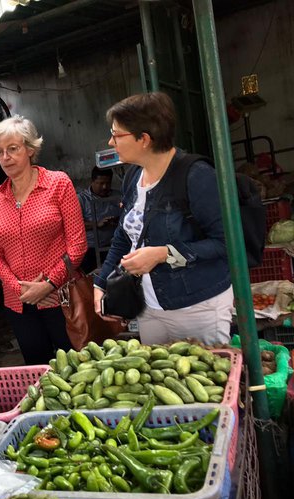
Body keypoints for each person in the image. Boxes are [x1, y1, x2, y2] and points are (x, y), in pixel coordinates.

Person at [93, 92, 232, 345]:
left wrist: (163, 254)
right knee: (157, 379)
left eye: (116, 134)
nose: (110, 142)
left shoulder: (197, 176)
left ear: (144, 139)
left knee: (206, 378)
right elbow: (123, 237)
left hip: (197, 306)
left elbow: (225, 243)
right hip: (149, 307)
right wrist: (101, 283)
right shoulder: (133, 177)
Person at [0, 116, 87, 365]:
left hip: (61, 297)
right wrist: (17, 287)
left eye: (13, 149)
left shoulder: (58, 184)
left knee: (77, 366)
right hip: (18, 303)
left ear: (30, 149)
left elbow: (78, 244)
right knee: (37, 369)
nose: (6, 157)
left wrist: (49, 284)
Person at [78, 166, 122, 273]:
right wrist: (96, 224)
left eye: (108, 183)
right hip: (90, 251)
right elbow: (74, 227)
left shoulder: (118, 196)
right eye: (101, 183)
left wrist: (118, 221)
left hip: (114, 247)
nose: (104, 187)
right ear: (92, 181)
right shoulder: (81, 200)